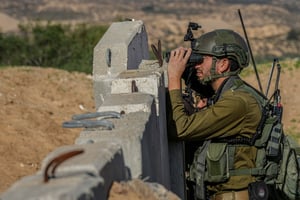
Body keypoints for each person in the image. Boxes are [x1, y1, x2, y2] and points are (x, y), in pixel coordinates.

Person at [167, 29, 264, 200]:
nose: (196, 65)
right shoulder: (227, 96)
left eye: (201, 60)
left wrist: (174, 78)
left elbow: (180, 128)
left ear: (222, 65)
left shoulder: (236, 103)